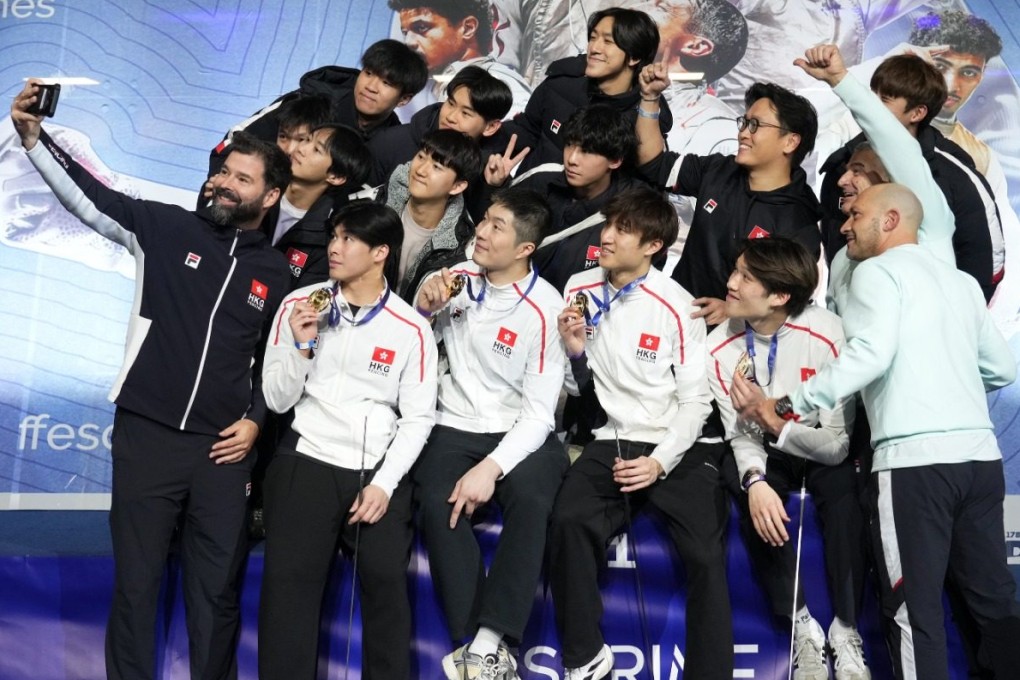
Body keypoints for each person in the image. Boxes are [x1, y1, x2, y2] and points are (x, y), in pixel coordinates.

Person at [740, 45, 1020, 680]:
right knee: (994, 604)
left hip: (911, 465)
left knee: (910, 611)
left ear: (893, 210)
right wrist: (935, 372)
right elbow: (1001, 371)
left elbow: (865, 355)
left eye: (859, 194)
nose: (845, 207)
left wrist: (786, 407)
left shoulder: (912, 239)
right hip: (978, 459)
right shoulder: (944, 278)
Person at [12, 81, 293, 680]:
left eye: (242, 179)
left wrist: (255, 421)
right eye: (223, 172)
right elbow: (89, 200)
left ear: (269, 196)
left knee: (215, 594)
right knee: (136, 588)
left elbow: (280, 364)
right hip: (147, 435)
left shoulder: (276, 271)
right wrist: (35, 140)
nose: (223, 183)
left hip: (225, 450)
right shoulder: (163, 228)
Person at [551, 186, 731, 680]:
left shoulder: (678, 305)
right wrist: (574, 351)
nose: (606, 236)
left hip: (676, 442)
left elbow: (696, 403)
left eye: (622, 229)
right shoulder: (579, 288)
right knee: (568, 521)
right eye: (608, 224)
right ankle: (584, 655)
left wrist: (660, 461)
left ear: (654, 245)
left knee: (706, 554)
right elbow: (573, 386)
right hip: (610, 437)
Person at [258, 201, 438, 680]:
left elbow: (418, 418)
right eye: (333, 236)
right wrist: (300, 347)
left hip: (375, 473)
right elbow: (276, 400)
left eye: (348, 239)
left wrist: (384, 485)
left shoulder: (412, 328)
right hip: (306, 461)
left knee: (386, 590)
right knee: (287, 597)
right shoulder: (301, 305)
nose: (334, 248)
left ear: (380, 252)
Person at [413, 187, 568, 680]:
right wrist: (422, 307)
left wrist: (490, 467)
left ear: (525, 248)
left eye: (497, 227)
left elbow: (541, 413)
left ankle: (486, 641)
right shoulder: (454, 279)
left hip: (521, 428)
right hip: (453, 421)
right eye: (483, 221)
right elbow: (412, 346)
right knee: (439, 503)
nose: (480, 231)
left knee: (534, 502)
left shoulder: (545, 307)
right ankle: (477, 650)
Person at [708, 238, 868, 680]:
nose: (730, 283)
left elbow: (836, 443)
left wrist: (774, 419)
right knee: (743, 487)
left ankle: (846, 630)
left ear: (779, 296)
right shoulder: (719, 347)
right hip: (766, 449)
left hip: (821, 446)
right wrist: (756, 481)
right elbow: (739, 436)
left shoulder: (827, 332)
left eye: (745, 277)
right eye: (735, 270)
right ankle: (802, 628)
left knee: (845, 497)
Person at [635, 67, 821, 326]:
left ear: (790, 142)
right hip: (677, 319)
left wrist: (733, 310)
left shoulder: (799, 220)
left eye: (755, 125)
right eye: (744, 122)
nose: (743, 133)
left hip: (738, 346)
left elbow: (788, 299)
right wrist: (650, 98)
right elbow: (654, 165)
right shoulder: (719, 170)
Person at [817, 53, 1003, 301]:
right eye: (872, 97)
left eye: (884, 100)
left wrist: (961, 319)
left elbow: (984, 260)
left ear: (916, 113)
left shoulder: (953, 175)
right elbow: (835, 240)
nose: (872, 108)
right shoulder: (843, 164)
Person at [206, 39, 427, 179]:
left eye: (386, 83)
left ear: (404, 99)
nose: (371, 87)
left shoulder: (391, 143)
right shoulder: (312, 101)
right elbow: (236, 140)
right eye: (368, 73)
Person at [504, 7, 672, 175]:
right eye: (593, 38)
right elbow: (526, 129)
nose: (594, 48)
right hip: (527, 197)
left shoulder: (646, 119)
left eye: (608, 42)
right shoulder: (560, 84)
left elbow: (649, 179)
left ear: (634, 57)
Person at [509, 104, 645, 294]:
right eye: (569, 145)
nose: (572, 159)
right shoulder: (540, 178)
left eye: (587, 151)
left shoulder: (632, 211)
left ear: (615, 160)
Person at [367, 65, 514, 188]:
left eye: (465, 113)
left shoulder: (490, 169)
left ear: (490, 127)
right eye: (450, 103)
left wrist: (493, 186)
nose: (450, 117)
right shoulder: (391, 142)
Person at [378, 128, 482, 301]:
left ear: (457, 186)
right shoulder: (379, 203)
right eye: (420, 157)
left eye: (436, 167)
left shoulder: (463, 247)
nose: (420, 170)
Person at [388, 0, 531, 117]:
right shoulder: (440, 84)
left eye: (421, 28)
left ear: (468, 28)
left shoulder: (503, 85)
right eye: (405, 32)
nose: (409, 42)